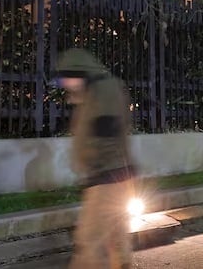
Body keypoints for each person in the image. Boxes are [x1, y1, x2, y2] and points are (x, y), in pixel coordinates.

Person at [55, 48, 136, 269]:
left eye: (65, 78)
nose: (64, 85)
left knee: (91, 243)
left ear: (78, 73)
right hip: (114, 175)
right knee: (117, 241)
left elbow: (106, 135)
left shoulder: (102, 92)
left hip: (105, 179)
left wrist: (94, 169)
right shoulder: (96, 90)